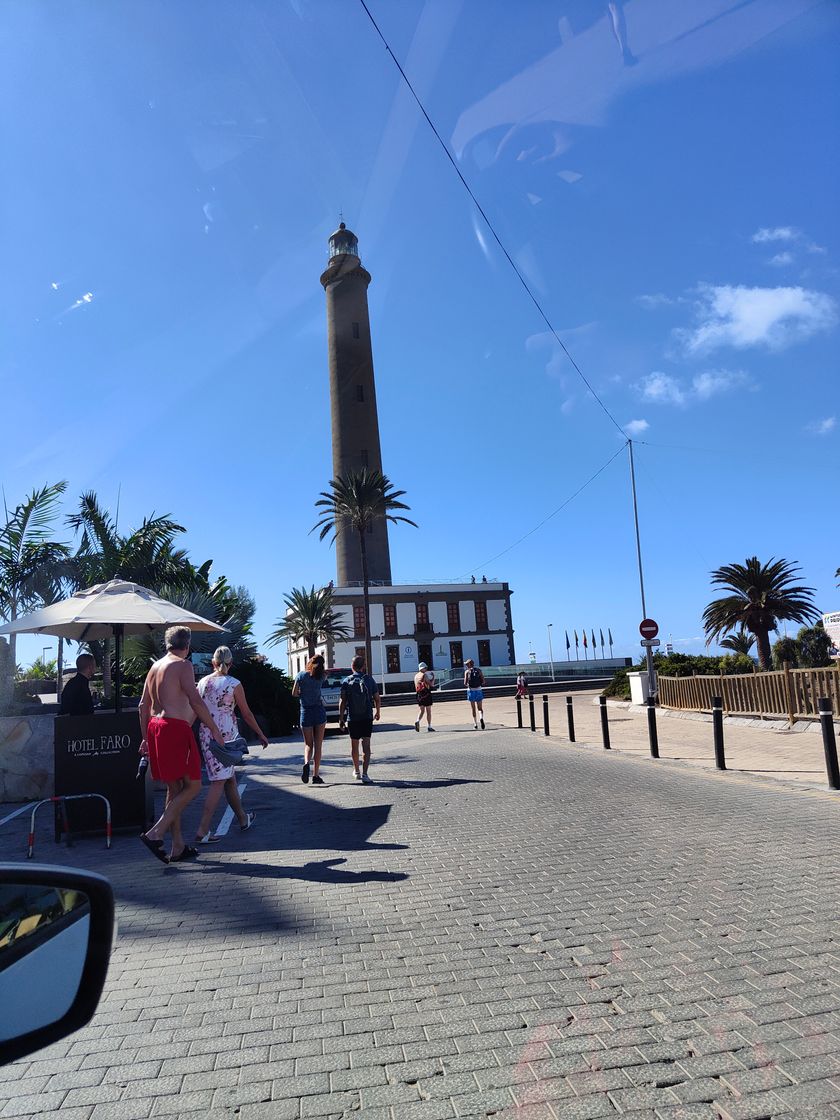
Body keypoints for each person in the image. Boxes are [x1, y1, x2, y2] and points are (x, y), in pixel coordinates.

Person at [138, 625, 226, 864]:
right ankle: (156, 832)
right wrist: (214, 729)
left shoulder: (155, 667)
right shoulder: (183, 665)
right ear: (187, 645)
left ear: (167, 644)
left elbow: (142, 706)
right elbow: (195, 700)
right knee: (194, 786)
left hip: (155, 727)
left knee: (174, 789)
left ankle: (177, 846)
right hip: (174, 728)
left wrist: (145, 738)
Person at [193, 646, 269, 844]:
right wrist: (260, 734)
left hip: (206, 734)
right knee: (219, 781)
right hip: (226, 735)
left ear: (213, 662)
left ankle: (243, 818)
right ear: (231, 663)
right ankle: (202, 830)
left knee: (228, 779)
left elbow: (195, 709)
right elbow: (246, 713)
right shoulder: (234, 684)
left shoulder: (202, 683)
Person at [338, 654, 381, 783]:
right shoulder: (369, 680)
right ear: (363, 667)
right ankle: (365, 774)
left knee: (354, 745)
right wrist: (378, 712)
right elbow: (377, 698)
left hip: (353, 718)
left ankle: (356, 771)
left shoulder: (347, 681)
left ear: (352, 666)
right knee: (366, 746)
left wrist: (341, 718)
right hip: (367, 716)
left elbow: (342, 701)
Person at [293, 654, 327, 784]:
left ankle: (307, 763)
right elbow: (324, 676)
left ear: (310, 662)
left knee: (308, 744)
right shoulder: (322, 676)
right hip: (319, 711)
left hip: (305, 712)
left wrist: (302, 694)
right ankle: (316, 775)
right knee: (318, 745)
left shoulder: (301, 675)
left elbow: (294, 693)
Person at [413, 662, 435, 732]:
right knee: (428, 711)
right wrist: (433, 677)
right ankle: (429, 726)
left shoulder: (416, 676)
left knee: (422, 710)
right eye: (425, 668)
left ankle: (417, 721)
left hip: (419, 695)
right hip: (426, 694)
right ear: (423, 668)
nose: (426, 669)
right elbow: (431, 685)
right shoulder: (424, 675)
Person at [464, 658, 486, 729]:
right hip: (478, 690)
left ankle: (475, 724)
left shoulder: (467, 672)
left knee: (473, 708)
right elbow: (483, 681)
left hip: (471, 691)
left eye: (466, 664)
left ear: (468, 665)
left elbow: (465, 683)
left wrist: (469, 685)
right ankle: (481, 718)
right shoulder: (479, 670)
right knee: (480, 708)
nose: (466, 666)